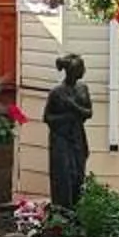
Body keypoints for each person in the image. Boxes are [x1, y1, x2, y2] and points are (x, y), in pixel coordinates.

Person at [44, 53, 94, 208]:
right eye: (81, 68)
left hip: (78, 136)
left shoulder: (83, 89)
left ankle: (77, 208)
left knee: (78, 173)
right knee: (63, 174)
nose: (84, 70)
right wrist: (66, 117)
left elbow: (88, 112)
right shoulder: (56, 93)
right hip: (61, 138)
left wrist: (73, 106)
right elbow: (47, 117)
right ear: (73, 71)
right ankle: (62, 210)